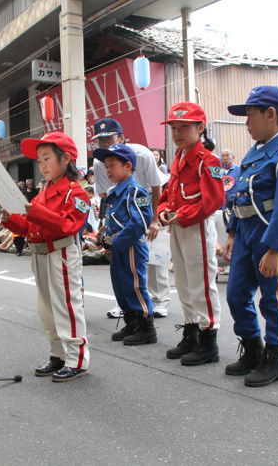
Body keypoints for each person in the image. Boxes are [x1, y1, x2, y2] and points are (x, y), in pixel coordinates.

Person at [223, 86, 278, 387]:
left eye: (251, 114)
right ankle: (253, 347)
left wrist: (275, 248)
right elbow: (240, 195)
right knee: (235, 294)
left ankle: (274, 356)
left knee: (272, 298)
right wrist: (232, 231)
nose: (246, 121)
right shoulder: (255, 152)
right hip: (245, 233)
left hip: (269, 236)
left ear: (271, 115)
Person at [2, 132, 90, 382]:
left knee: (66, 305)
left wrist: (36, 213)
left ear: (66, 159)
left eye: (46, 158)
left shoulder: (76, 193)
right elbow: (32, 228)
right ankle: (58, 354)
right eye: (39, 160)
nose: (42, 165)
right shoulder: (44, 191)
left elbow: (69, 226)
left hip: (61, 251)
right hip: (41, 252)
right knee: (47, 308)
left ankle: (77, 359)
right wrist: (12, 221)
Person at [157, 102, 225, 366]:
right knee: (184, 282)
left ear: (200, 127)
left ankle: (209, 340)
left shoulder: (208, 160)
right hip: (177, 225)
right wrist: (163, 209)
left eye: (184, 127)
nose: (177, 132)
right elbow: (168, 195)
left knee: (201, 284)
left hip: (196, 226)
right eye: (174, 127)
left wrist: (181, 214)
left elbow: (213, 200)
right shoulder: (178, 158)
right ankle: (191, 331)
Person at [91, 118, 170, 318]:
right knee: (121, 266)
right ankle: (125, 304)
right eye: (100, 140)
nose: (105, 144)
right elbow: (105, 194)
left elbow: (155, 186)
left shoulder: (142, 153)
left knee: (153, 257)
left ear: (122, 138)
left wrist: (152, 220)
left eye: (109, 138)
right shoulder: (99, 161)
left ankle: (159, 301)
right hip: (121, 211)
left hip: (145, 203)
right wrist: (106, 226)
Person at [95, 144, 155, 345]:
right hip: (118, 246)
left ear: (128, 166)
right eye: (106, 166)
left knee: (134, 285)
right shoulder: (115, 192)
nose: (108, 170)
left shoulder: (135, 191)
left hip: (130, 246)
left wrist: (116, 242)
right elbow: (113, 219)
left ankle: (146, 326)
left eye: (112, 165)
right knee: (120, 285)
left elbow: (140, 221)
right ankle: (131, 322)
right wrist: (105, 236)